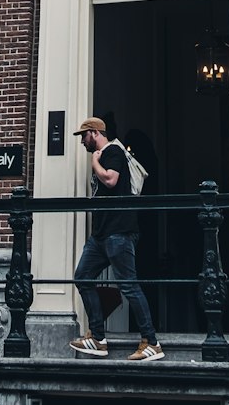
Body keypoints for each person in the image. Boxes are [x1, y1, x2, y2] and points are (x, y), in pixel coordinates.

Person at [69, 116, 164, 362]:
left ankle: (151, 342)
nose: (82, 142)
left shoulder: (112, 152)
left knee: (129, 285)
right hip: (101, 235)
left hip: (118, 232)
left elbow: (111, 180)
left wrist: (94, 164)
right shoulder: (106, 153)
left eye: (84, 136)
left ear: (94, 133)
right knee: (83, 276)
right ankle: (98, 338)